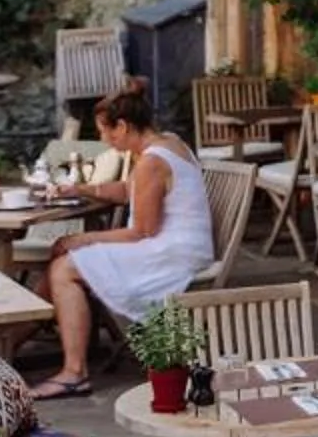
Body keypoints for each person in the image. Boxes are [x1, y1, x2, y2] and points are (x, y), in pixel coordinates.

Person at [31, 85, 216, 399]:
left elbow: (142, 231)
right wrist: (80, 190)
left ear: (123, 126)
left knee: (65, 267)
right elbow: (130, 191)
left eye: (106, 132)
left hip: (173, 255)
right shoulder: (168, 142)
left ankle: (73, 373)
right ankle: (9, 343)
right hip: (179, 246)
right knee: (59, 266)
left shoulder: (152, 162)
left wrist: (83, 239)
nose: (104, 140)